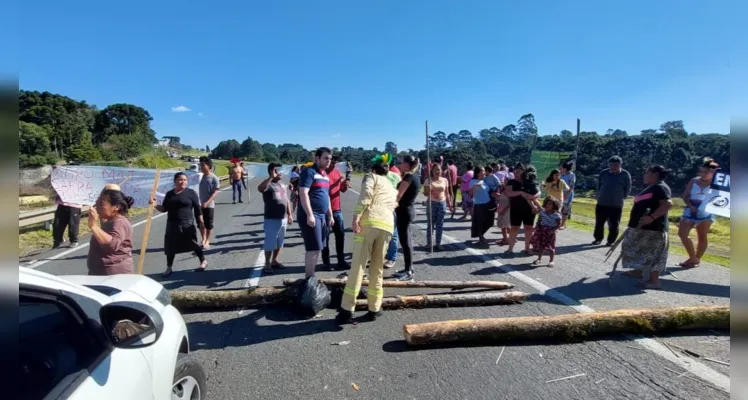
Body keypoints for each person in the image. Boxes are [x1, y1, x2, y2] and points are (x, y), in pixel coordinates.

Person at [335, 154, 399, 324]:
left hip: (369, 224)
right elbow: (394, 205)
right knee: (377, 269)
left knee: (358, 267)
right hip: (387, 227)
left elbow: (366, 196)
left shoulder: (371, 177)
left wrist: (356, 217)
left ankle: (346, 310)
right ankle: (375, 308)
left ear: (373, 168)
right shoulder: (392, 186)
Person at [619, 165, 673, 289]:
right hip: (643, 228)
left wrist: (651, 217)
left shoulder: (661, 187)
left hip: (654, 229)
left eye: (646, 172)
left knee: (654, 254)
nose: (644, 175)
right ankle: (639, 271)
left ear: (654, 174)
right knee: (637, 249)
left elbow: (668, 204)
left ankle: (654, 281)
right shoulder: (652, 187)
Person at [150, 172, 207, 277]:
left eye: (185, 180)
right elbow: (164, 209)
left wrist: (201, 221)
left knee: (192, 243)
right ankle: (169, 268)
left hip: (187, 223)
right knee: (170, 246)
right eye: (180, 179)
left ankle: (203, 261)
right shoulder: (169, 194)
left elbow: (198, 209)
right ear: (175, 181)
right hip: (172, 223)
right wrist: (155, 205)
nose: (183, 182)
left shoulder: (191, 193)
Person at [298, 147, 334, 277]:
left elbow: (326, 196)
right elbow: (303, 193)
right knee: (313, 248)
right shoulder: (309, 172)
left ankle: (311, 276)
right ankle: (309, 278)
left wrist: (330, 214)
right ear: (317, 158)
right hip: (311, 215)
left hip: (322, 216)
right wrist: (309, 215)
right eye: (325, 158)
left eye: (330, 159)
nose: (328, 161)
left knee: (318, 247)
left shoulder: (325, 176)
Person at [677, 157, 720, 269]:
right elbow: (685, 196)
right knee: (682, 234)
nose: (703, 174)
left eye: (706, 172)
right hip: (690, 210)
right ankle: (693, 257)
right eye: (702, 171)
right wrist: (691, 206)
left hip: (705, 213)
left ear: (713, 173)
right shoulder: (693, 181)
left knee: (702, 236)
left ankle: (696, 259)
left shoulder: (717, 185)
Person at [87, 189, 135, 275]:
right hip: (101, 273)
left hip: (113, 276)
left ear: (116, 207)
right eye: (96, 202)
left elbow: (112, 245)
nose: (96, 206)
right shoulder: (111, 220)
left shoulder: (119, 223)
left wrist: (93, 226)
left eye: (101, 204)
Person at [258, 163, 293, 274]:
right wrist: (271, 177)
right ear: (271, 171)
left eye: (280, 170)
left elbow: (286, 199)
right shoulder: (268, 183)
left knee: (279, 242)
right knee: (270, 242)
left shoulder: (282, 184)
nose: (280, 172)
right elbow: (260, 189)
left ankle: (274, 260)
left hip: (282, 218)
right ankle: (267, 263)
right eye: (277, 170)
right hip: (271, 218)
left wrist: (290, 214)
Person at [391, 155, 421, 281]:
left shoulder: (409, 177)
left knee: (406, 242)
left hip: (404, 211)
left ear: (408, 164)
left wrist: (389, 206)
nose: (400, 164)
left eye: (402, 162)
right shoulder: (415, 176)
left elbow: (399, 195)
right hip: (407, 210)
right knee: (405, 241)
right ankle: (407, 268)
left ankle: (409, 270)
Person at [593, 156, 632, 246]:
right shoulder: (603, 173)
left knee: (614, 224)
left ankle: (611, 241)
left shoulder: (625, 174)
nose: (613, 167)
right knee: (599, 223)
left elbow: (628, 188)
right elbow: (598, 186)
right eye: (611, 165)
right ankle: (598, 239)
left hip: (616, 205)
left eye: (615, 165)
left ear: (620, 165)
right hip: (602, 203)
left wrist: (622, 197)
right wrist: (599, 195)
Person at [504, 163, 541, 255]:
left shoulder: (529, 180)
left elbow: (539, 191)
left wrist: (533, 196)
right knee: (514, 228)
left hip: (529, 209)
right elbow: (509, 193)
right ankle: (510, 249)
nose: (516, 174)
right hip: (516, 208)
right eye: (515, 172)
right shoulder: (511, 182)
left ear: (523, 172)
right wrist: (520, 192)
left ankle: (527, 249)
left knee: (528, 228)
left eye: (519, 172)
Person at [322, 156, 351, 270]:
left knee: (340, 236)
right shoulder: (321, 173)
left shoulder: (337, 173)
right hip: (323, 210)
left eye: (335, 162)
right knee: (325, 237)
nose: (333, 164)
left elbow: (342, 190)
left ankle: (341, 261)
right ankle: (326, 262)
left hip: (336, 209)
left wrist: (347, 180)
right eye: (332, 161)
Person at [423, 163, 453, 251]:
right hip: (432, 203)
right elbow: (425, 194)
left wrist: (450, 205)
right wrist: (428, 189)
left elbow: (447, 193)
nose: (437, 171)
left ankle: (438, 243)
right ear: (432, 171)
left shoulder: (445, 180)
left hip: (442, 204)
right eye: (435, 169)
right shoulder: (428, 180)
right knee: (431, 224)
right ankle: (429, 243)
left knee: (440, 224)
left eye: (439, 169)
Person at [530, 196, 563, 267]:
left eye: (550, 204)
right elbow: (539, 221)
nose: (547, 205)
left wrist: (554, 230)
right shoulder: (542, 212)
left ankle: (551, 261)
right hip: (542, 231)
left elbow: (558, 225)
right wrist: (537, 226)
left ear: (554, 206)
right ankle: (539, 259)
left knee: (551, 247)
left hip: (550, 232)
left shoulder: (557, 215)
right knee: (541, 246)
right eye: (547, 204)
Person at [198, 157, 220, 249]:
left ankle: (207, 240)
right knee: (200, 222)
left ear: (209, 166)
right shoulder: (198, 177)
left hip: (209, 205)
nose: (201, 167)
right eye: (201, 165)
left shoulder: (214, 178)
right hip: (198, 204)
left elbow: (215, 192)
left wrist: (207, 202)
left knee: (208, 225)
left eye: (203, 165)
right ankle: (203, 239)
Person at [383, 161, 402, 268]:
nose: (385, 167)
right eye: (383, 165)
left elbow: (401, 192)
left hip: (391, 209)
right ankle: (381, 255)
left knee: (393, 234)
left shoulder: (395, 176)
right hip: (378, 210)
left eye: (387, 165)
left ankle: (391, 257)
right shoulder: (376, 176)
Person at [469, 166, 493, 246]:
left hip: (488, 203)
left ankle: (481, 234)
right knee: (480, 222)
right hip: (479, 204)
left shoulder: (484, 181)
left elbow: (488, 191)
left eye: (484, 171)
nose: (484, 172)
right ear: (478, 173)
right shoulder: (473, 181)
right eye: (482, 171)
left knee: (490, 222)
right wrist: (474, 187)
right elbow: (471, 194)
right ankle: (481, 237)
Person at [559, 161, 576, 230]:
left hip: (568, 195)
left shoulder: (572, 175)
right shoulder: (561, 174)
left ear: (565, 168)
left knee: (565, 210)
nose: (560, 168)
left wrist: (566, 195)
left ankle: (562, 225)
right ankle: (562, 223)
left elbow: (572, 186)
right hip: (560, 194)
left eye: (561, 167)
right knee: (559, 208)